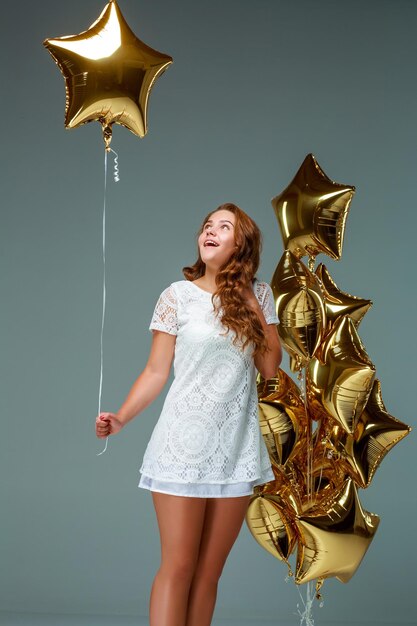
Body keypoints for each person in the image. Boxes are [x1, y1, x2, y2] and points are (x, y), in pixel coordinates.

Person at [95, 203, 282, 626]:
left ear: (242, 244)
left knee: (209, 573)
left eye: (224, 226)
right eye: (207, 225)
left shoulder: (262, 295)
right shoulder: (176, 296)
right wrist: (122, 417)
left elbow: (270, 368)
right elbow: (156, 371)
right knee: (178, 567)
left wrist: (251, 298)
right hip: (182, 444)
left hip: (236, 447)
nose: (210, 231)